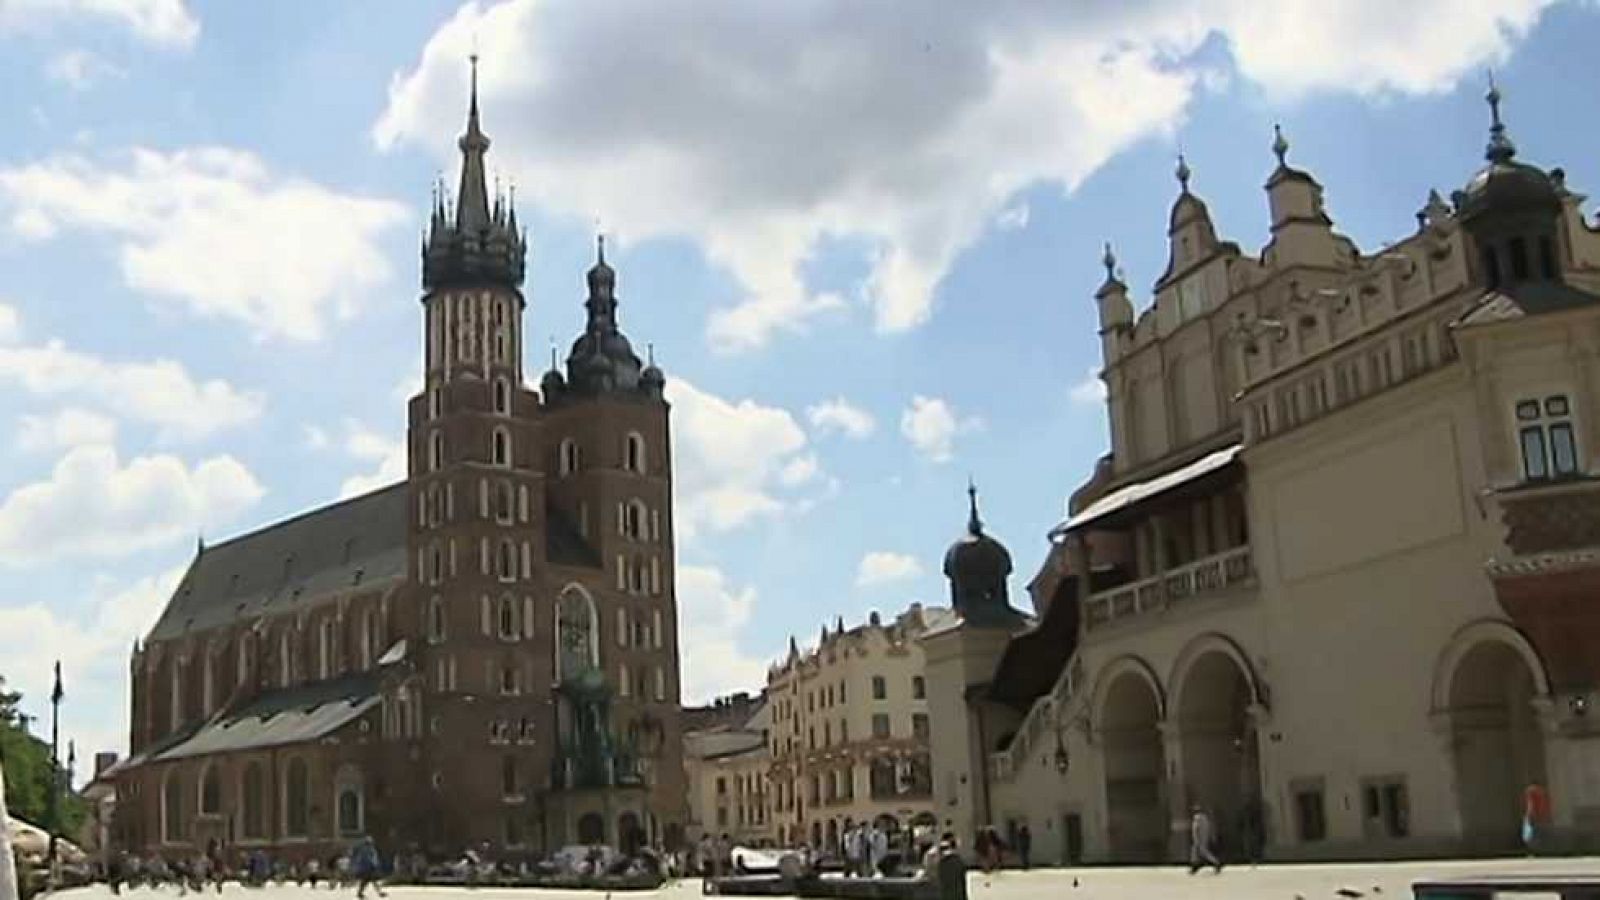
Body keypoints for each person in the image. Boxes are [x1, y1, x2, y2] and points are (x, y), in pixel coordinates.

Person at [1188, 806, 1223, 875]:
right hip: (1203, 838)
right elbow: (1208, 829)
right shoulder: (1205, 819)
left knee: (1202, 852)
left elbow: (1195, 830)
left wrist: (1196, 839)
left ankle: (1216, 863)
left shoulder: (1197, 819)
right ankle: (1195, 866)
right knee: (1196, 853)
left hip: (1199, 839)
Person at [1523, 780, 1551, 856]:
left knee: (1529, 835)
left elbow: (1530, 804)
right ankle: (1541, 850)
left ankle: (1533, 851)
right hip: (1541, 815)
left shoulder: (1530, 791)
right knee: (1539, 833)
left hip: (1533, 815)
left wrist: (1529, 815)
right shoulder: (1541, 792)